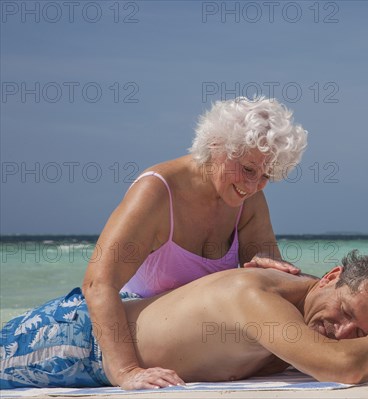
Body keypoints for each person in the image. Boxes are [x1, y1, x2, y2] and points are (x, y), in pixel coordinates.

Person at [81, 96, 308, 389]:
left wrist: (270, 266)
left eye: (267, 176)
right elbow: (97, 284)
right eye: (249, 170)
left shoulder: (248, 201)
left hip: (187, 344)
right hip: (107, 341)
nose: (253, 186)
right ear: (216, 145)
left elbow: (267, 278)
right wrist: (127, 371)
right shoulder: (156, 191)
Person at [1, 251, 368, 389]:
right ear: (331, 277)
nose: (340, 332)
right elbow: (342, 367)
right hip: (78, 340)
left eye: (359, 331)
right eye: (343, 313)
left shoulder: (316, 317)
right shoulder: (255, 296)